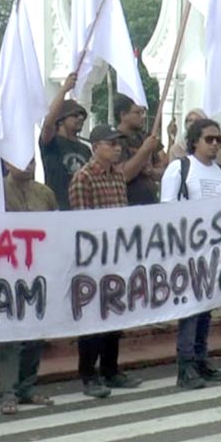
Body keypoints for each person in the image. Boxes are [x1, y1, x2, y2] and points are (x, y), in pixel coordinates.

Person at [68, 124, 143, 398]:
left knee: (115, 314)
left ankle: (111, 369)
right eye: (111, 144)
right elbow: (81, 220)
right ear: (95, 146)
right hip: (94, 257)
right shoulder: (83, 178)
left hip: (117, 254)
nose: (117, 148)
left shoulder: (117, 177)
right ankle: (88, 373)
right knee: (92, 318)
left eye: (118, 144)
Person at [160, 119, 221, 389]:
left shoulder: (220, 172)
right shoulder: (180, 169)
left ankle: (201, 359)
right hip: (188, 252)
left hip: (214, 253)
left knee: (205, 310)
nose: (214, 144)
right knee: (190, 309)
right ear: (194, 142)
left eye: (218, 140)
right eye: (208, 139)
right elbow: (168, 209)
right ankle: (185, 365)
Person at [0, 159, 58, 414]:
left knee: (35, 331)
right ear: (7, 163)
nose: (29, 165)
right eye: (22, 160)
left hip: (39, 270)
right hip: (7, 270)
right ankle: (8, 390)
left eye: (32, 160)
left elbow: (58, 228)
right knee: (11, 334)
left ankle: (27, 386)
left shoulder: (45, 193)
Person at [40, 73, 91, 211]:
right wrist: (64, 90)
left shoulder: (86, 149)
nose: (80, 118)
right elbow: (48, 123)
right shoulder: (51, 143)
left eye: (82, 116)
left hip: (82, 209)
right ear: (61, 119)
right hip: (58, 209)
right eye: (75, 115)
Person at [113, 95, 164, 206]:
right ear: (123, 115)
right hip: (127, 204)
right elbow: (124, 175)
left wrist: (152, 171)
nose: (143, 116)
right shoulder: (113, 141)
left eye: (143, 112)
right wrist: (144, 150)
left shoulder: (146, 138)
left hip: (150, 203)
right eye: (137, 113)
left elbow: (163, 172)